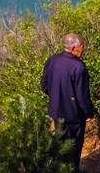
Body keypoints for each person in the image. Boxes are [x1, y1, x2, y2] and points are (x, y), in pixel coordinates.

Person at [41, 33, 96, 173]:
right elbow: (82, 96)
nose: (83, 50)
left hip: (56, 111)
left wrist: (57, 96)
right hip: (74, 116)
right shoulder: (79, 67)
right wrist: (89, 112)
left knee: (60, 143)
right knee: (74, 147)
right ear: (73, 48)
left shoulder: (52, 60)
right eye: (82, 47)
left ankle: (59, 169)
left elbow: (44, 85)